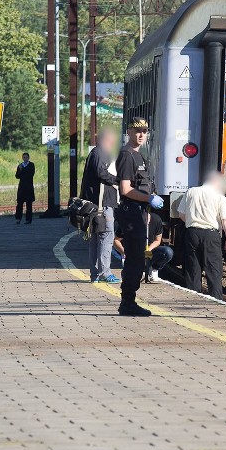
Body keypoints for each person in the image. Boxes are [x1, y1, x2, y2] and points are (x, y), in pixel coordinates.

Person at [114, 117, 164, 316]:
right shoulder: (127, 155)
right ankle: (127, 302)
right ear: (129, 131)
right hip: (132, 212)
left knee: (138, 258)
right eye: (137, 131)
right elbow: (125, 189)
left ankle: (129, 301)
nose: (141, 134)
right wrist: (148, 197)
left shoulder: (139, 156)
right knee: (135, 258)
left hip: (140, 212)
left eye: (144, 131)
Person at [177, 171, 226, 300]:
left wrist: (192, 222)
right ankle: (216, 300)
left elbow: (181, 214)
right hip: (211, 235)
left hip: (192, 233)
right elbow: (225, 220)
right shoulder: (219, 196)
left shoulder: (191, 192)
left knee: (193, 269)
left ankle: (192, 298)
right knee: (213, 270)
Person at [81, 129, 120, 284]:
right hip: (102, 204)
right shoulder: (100, 153)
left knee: (97, 237)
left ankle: (95, 273)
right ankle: (104, 272)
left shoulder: (97, 153)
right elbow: (101, 173)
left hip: (98, 203)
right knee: (106, 236)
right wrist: (119, 180)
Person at [114, 211, 173, 284]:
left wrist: (148, 250)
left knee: (168, 252)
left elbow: (157, 240)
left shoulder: (156, 219)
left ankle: (154, 269)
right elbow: (116, 240)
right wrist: (124, 252)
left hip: (148, 250)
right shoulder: (128, 221)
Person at [15, 152, 36, 224]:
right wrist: (20, 171)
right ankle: (18, 218)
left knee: (29, 204)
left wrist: (22, 172)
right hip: (21, 187)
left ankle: (28, 219)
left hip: (29, 187)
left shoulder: (31, 165)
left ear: (28, 158)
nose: (25, 159)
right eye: (24, 157)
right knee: (19, 203)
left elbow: (31, 174)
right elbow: (17, 176)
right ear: (22, 158)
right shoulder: (20, 166)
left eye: (26, 157)